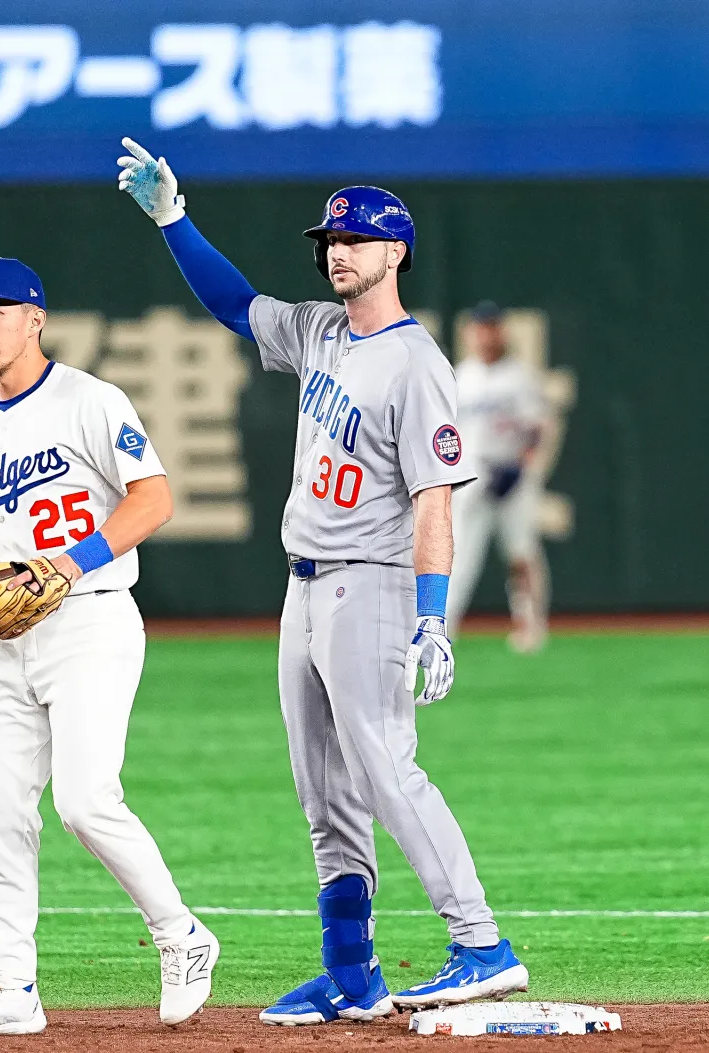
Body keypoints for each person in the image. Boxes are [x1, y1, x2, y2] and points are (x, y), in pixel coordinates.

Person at [116, 138, 528, 1025]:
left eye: (355, 238)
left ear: (395, 254)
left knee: (386, 767)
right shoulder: (318, 331)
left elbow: (433, 502)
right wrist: (172, 220)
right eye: (329, 238)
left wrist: (432, 618)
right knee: (324, 791)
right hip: (303, 585)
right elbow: (236, 305)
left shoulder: (419, 364)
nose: (336, 250)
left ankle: (482, 943)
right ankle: (352, 971)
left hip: (373, 583)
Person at [0, 257, 219, 1035]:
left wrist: (69, 561)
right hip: (12, 644)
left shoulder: (90, 399)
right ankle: (13, 989)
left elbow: (154, 498)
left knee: (86, 801)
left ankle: (181, 933)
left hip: (91, 619)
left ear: (35, 317)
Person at [448, 301, 550, 652]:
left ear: (500, 331)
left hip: (512, 474)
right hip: (472, 473)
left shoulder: (519, 377)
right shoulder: (461, 375)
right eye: (479, 327)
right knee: (458, 557)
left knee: (521, 552)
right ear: (470, 333)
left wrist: (521, 467)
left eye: (491, 326)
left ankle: (530, 625)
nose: (485, 334)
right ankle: (443, 629)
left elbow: (537, 430)